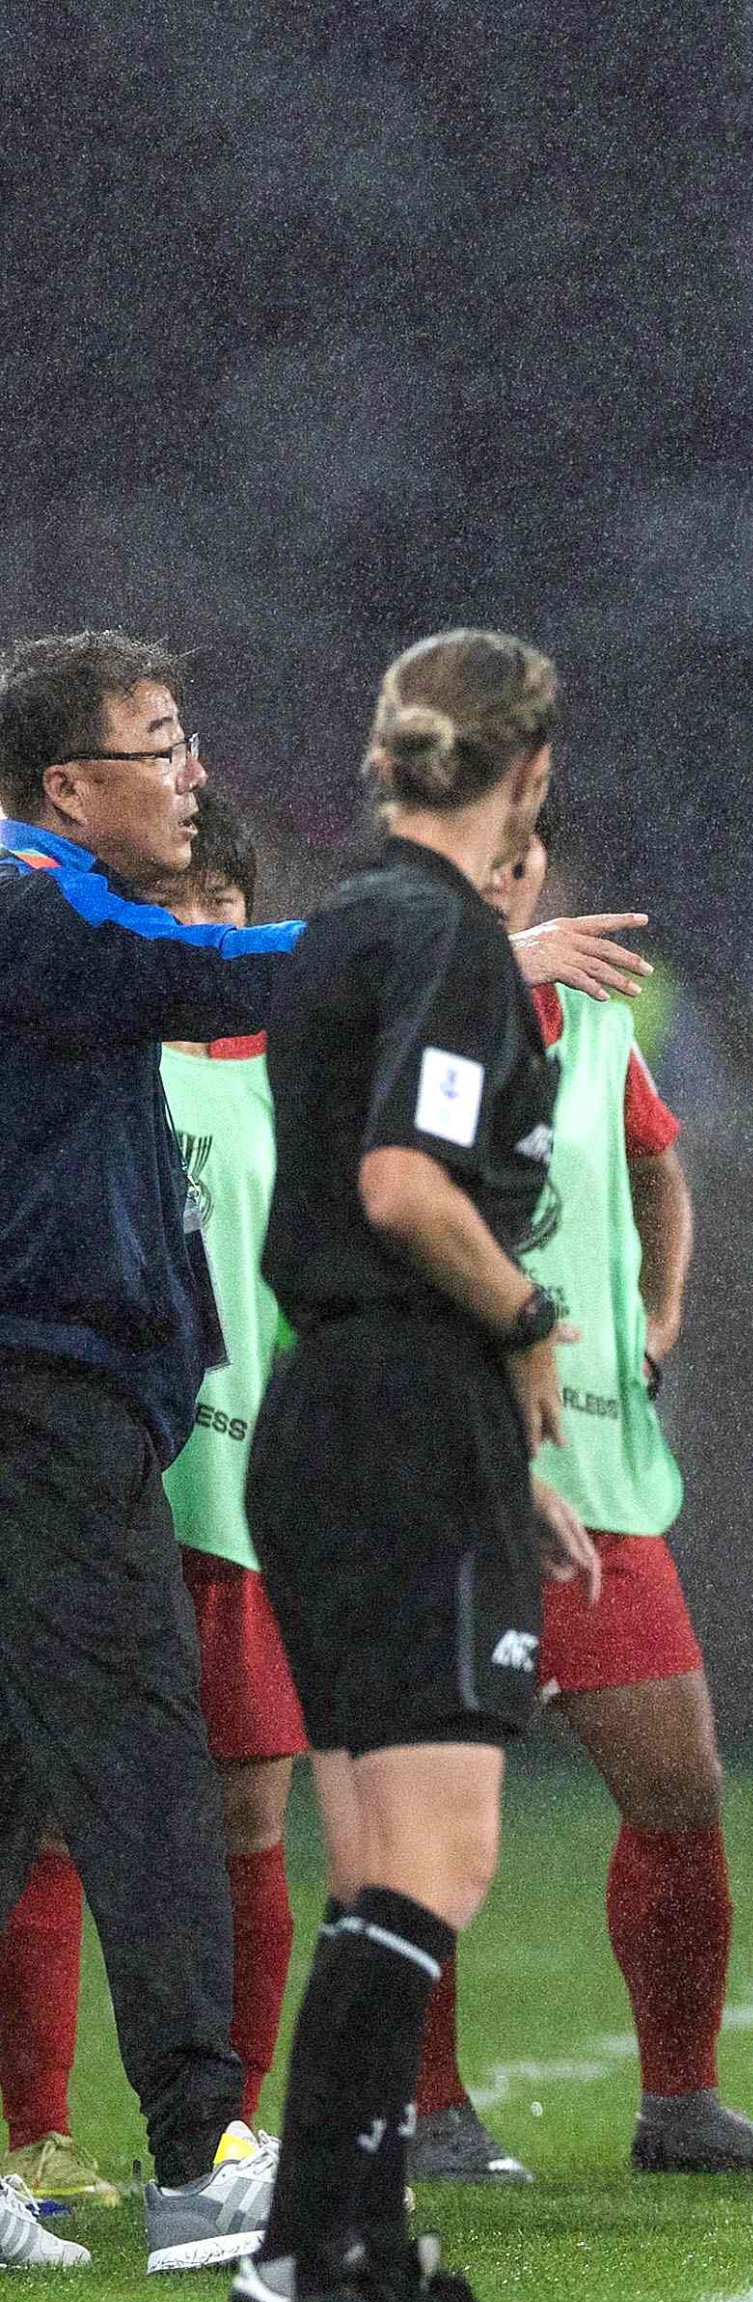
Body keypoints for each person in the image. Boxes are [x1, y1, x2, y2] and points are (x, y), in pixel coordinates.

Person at [226, 629, 591, 2302]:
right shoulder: (450, 938)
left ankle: (359, 2259)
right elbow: (403, 1182)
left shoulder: (345, 922)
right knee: (438, 1860)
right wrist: (526, 1323)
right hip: (401, 1403)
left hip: (331, 1406)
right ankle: (307, 2268)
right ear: (529, 773)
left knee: (379, 1861)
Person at [480, 824, 753, 2177]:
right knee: (420, 1817)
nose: (510, 879)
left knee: (680, 1783)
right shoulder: (393, 1025)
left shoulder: (595, 1024)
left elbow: (656, 1164)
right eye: (482, 859)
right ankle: (423, 2111)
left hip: (597, 1473)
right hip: (443, 1475)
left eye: (526, 857)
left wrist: (659, 1307)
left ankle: (680, 2102)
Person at [1, 792, 293, 2227]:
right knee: (145, 1763)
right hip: (49, 1401)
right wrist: (430, 943)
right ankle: (196, 2157)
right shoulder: (38, 899)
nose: (186, 776)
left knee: (19, 1778)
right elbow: (196, 966)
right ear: (71, 780)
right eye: (161, 744)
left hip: (72, 1399)